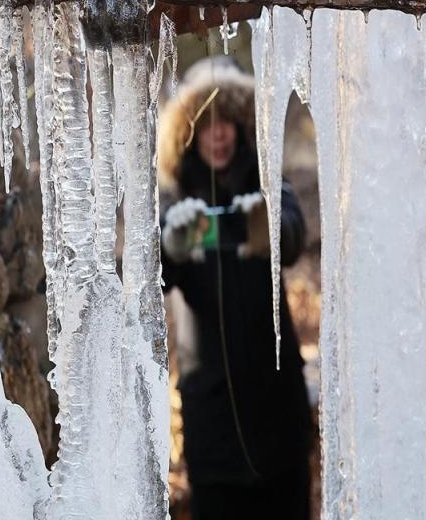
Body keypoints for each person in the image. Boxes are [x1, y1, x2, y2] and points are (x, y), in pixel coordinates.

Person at [158, 56, 312, 520]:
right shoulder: (176, 201)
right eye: (206, 123)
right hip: (213, 433)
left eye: (227, 120)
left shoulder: (268, 181)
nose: (219, 134)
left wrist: (268, 228)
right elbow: (150, 278)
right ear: (189, 133)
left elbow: (295, 233)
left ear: (243, 124)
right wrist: (169, 244)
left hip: (279, 421)